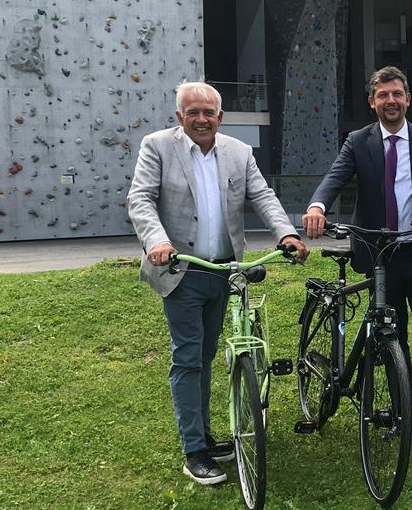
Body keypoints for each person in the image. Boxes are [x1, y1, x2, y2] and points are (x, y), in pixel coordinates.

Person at [128, 82, 308, 486]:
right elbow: (140, 199)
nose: (201, 119)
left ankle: (205, 437)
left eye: (208, 112)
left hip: (225, 271)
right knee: (188, 357)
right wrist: (157, 242)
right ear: (179, 116)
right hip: (182, 270)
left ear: (220, 117)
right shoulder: (158, 146)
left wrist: (287, 233)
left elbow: (262, 196)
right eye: (192, 112)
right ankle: (194, 451)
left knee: (206, 354)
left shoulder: (238, 152)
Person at [302, 66, 412, 453]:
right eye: (383, 95)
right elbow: (335, 177)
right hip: (379, 256)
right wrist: (317, 205)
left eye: (397, 94)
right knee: (391, 338)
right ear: (371, 102)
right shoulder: (358, 141)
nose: (391, 101)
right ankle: (403, 413)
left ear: (408, 99)